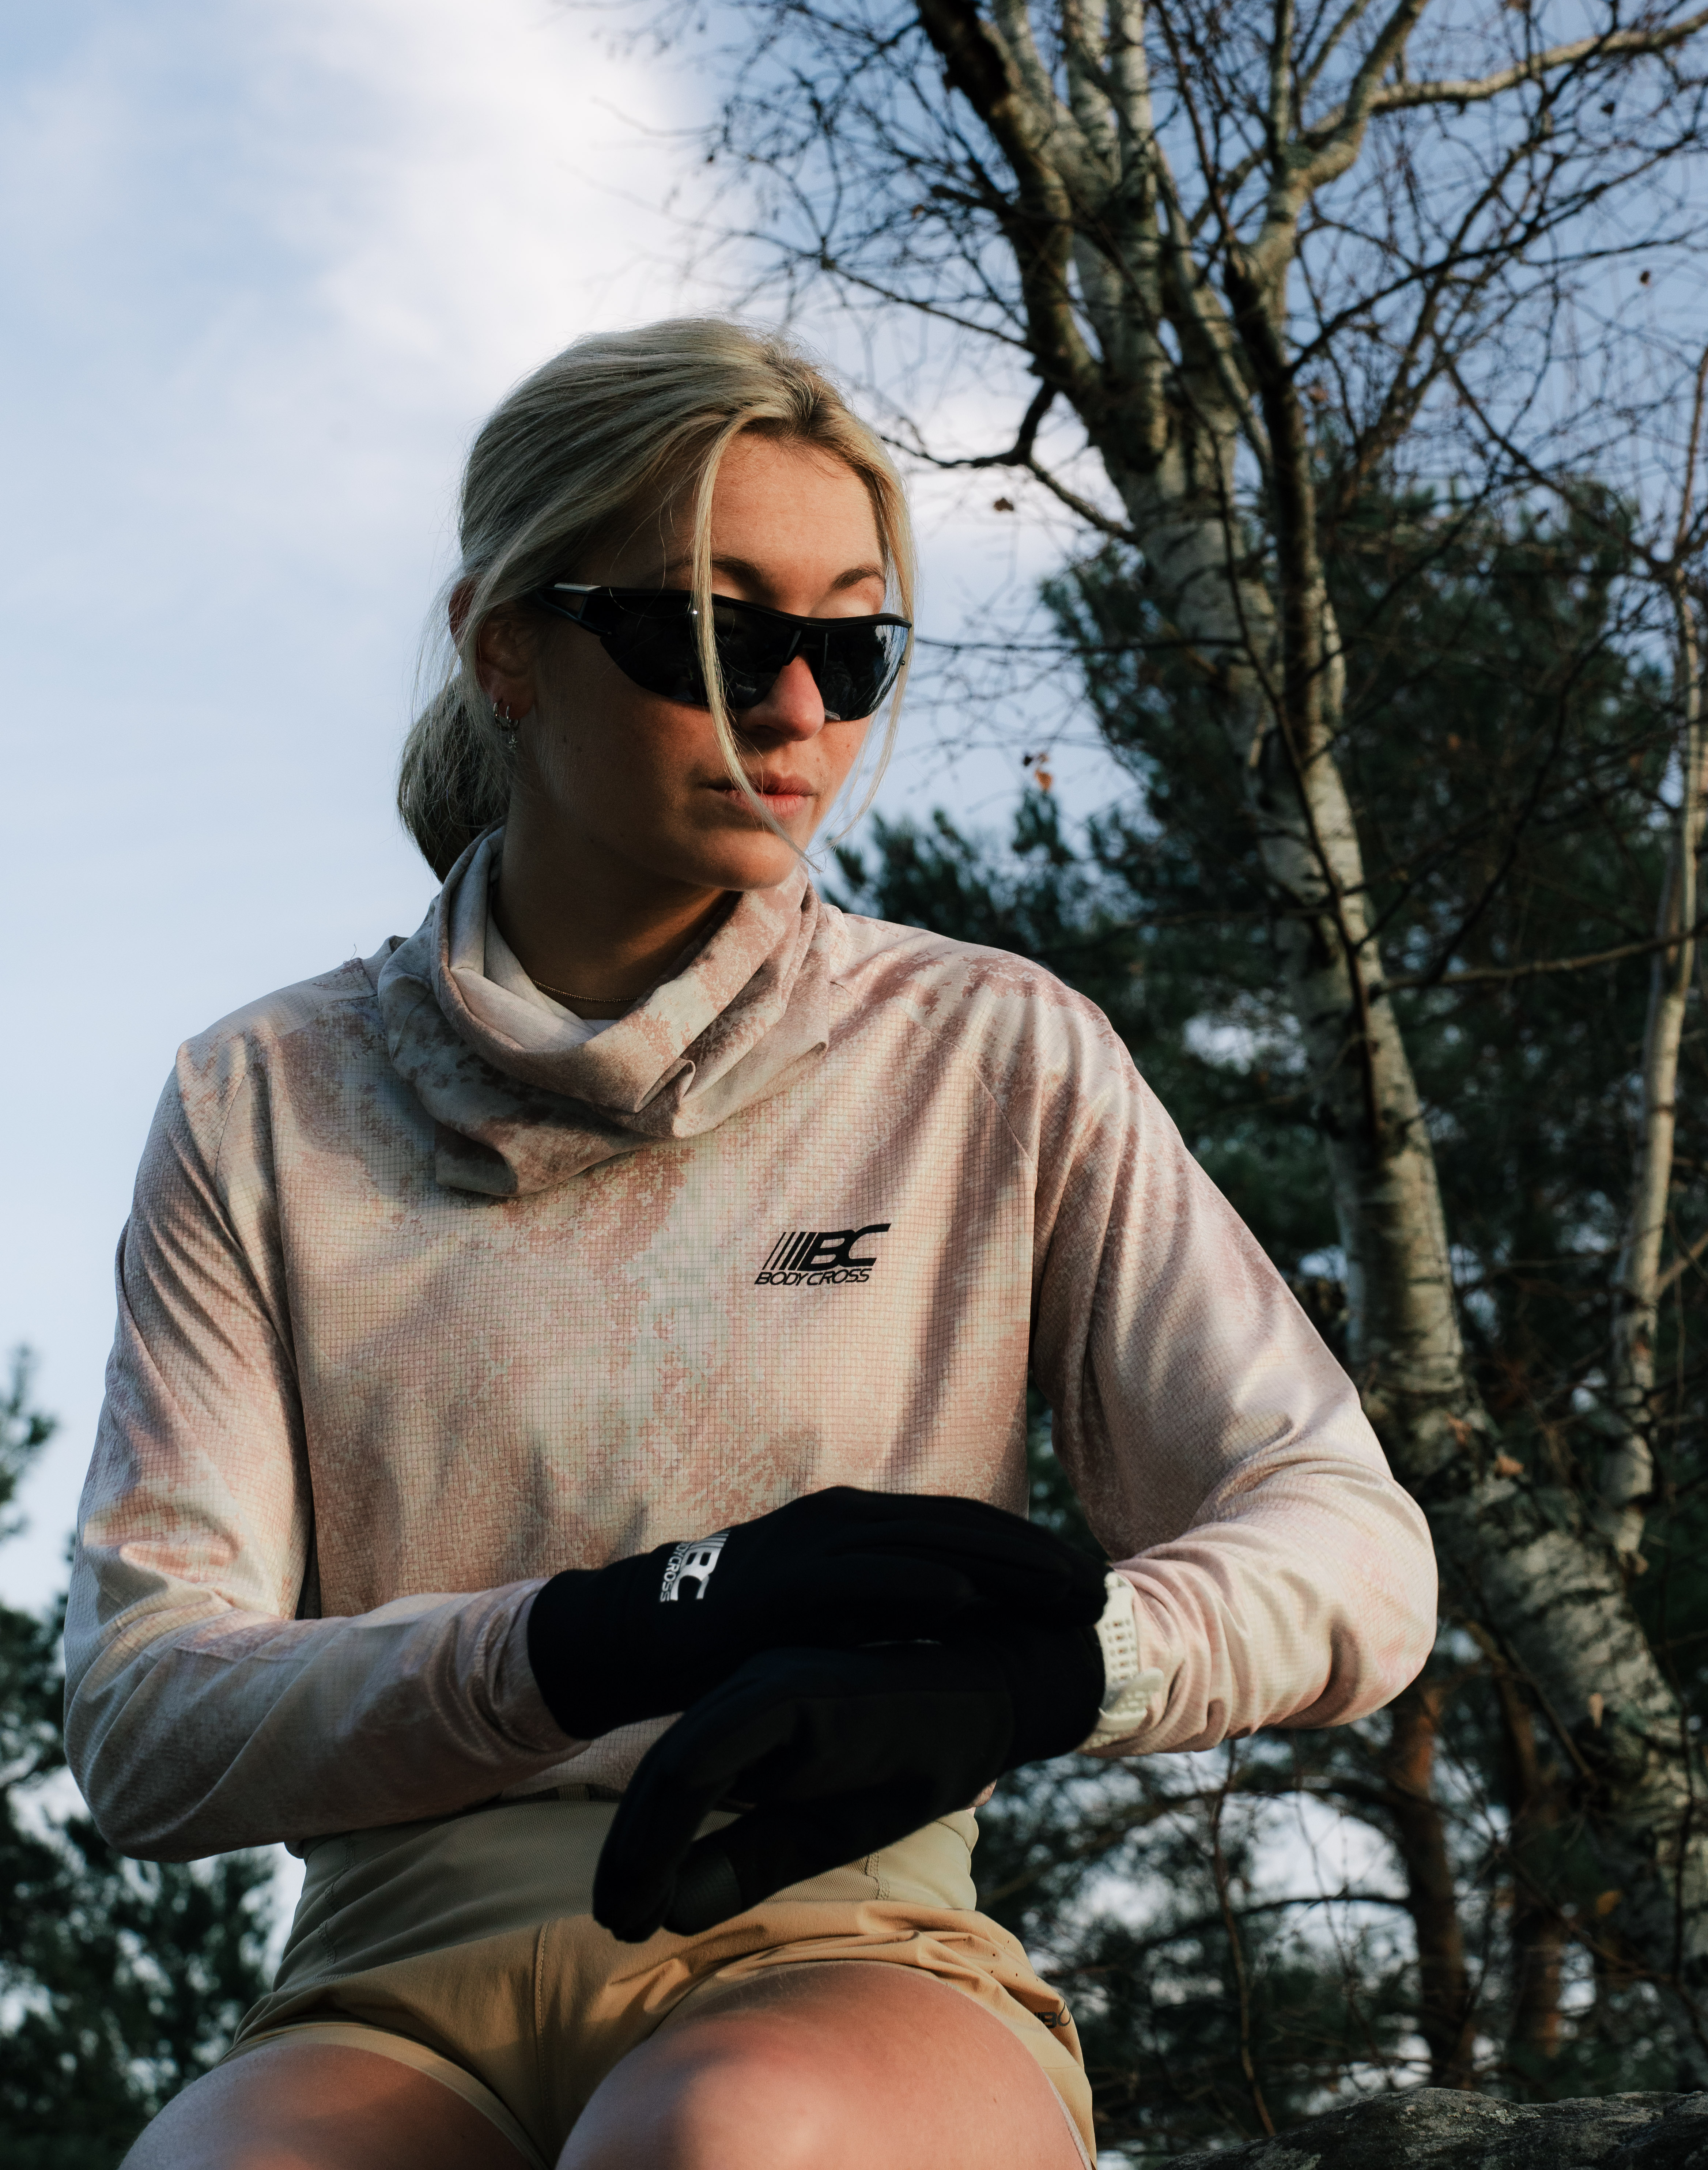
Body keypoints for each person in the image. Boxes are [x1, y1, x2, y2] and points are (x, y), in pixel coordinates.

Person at [66, 317, 1436, 2170]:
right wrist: (603, 1634)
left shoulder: (986, 1051)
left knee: (720, 2143)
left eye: (852, 647)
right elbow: (144, 1717)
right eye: (714, 637)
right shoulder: (262, 1096)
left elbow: (1353, 1547)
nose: (797, 713)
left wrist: (1046, 1676)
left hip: (843, 1945)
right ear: (504, 647)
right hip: (380, 1986)